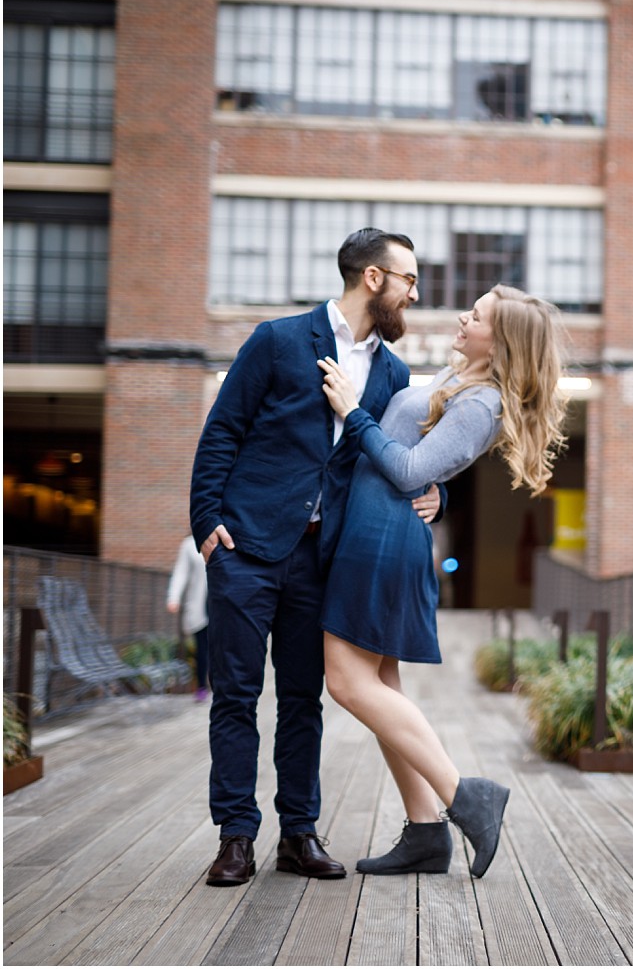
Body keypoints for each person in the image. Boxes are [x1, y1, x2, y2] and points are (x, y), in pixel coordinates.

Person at [188, 228, 441, 888]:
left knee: (303, 698)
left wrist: (432, 487)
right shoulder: (278, 340)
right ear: (374, 279)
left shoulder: (391, 372)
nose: (416, 291)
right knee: (236, 695)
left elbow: (388, 458)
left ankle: (298, 833)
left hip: (322, 558)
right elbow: (223, 431)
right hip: (246, 549)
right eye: (409, 278)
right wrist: (207, 525)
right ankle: (235, 837)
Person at [317, 284, 566, 879]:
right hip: (377, 532)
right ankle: (426, 831)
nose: (463, 316)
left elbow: (406, 469)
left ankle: (465, 796)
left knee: (348, 683)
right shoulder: (463, 384)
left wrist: (352, 412)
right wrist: (440, 490)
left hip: (381, 542)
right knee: (381, 687)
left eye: (476, 315)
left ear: (499, 339)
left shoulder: (482, 403)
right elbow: (425, 465)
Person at [165, 537, 209, 703]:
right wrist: (173, 597)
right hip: (200, 606)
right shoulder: (190, 544)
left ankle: (223, 687)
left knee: (222, 648)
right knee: (202, 650)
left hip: (224, 605)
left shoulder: (231, 536)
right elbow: (181, 572)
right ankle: (202, 688)